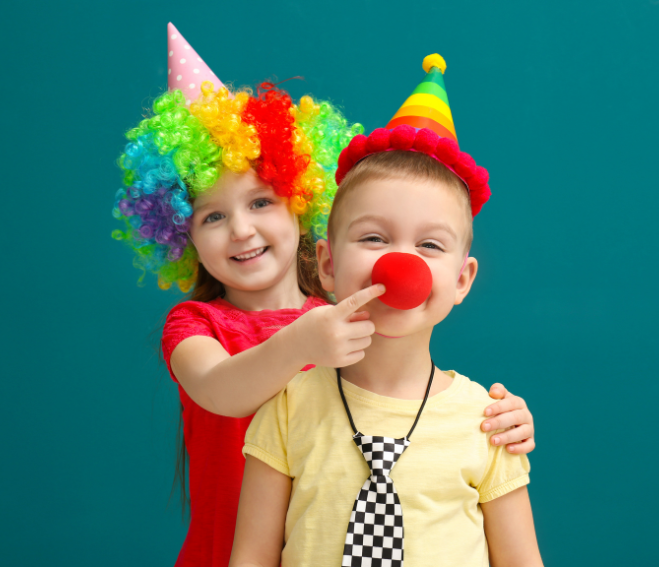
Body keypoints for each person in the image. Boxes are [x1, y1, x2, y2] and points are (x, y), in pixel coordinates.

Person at [113, 26, 537, 566]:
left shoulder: (343, 314)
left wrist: (501, 419)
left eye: (261, 202)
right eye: (213, 216)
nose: (241, 230)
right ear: (179, 232)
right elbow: (220, 390)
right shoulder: (197, 326)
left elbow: (412, 393)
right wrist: (300, 344)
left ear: (301, 200)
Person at [230, 55, 543, 567]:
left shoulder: (489, 423)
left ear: (461, 280)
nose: (400, 263)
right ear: (327, 265)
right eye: (374, 237)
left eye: (430, 244)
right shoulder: (288, 408)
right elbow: (252, 556)